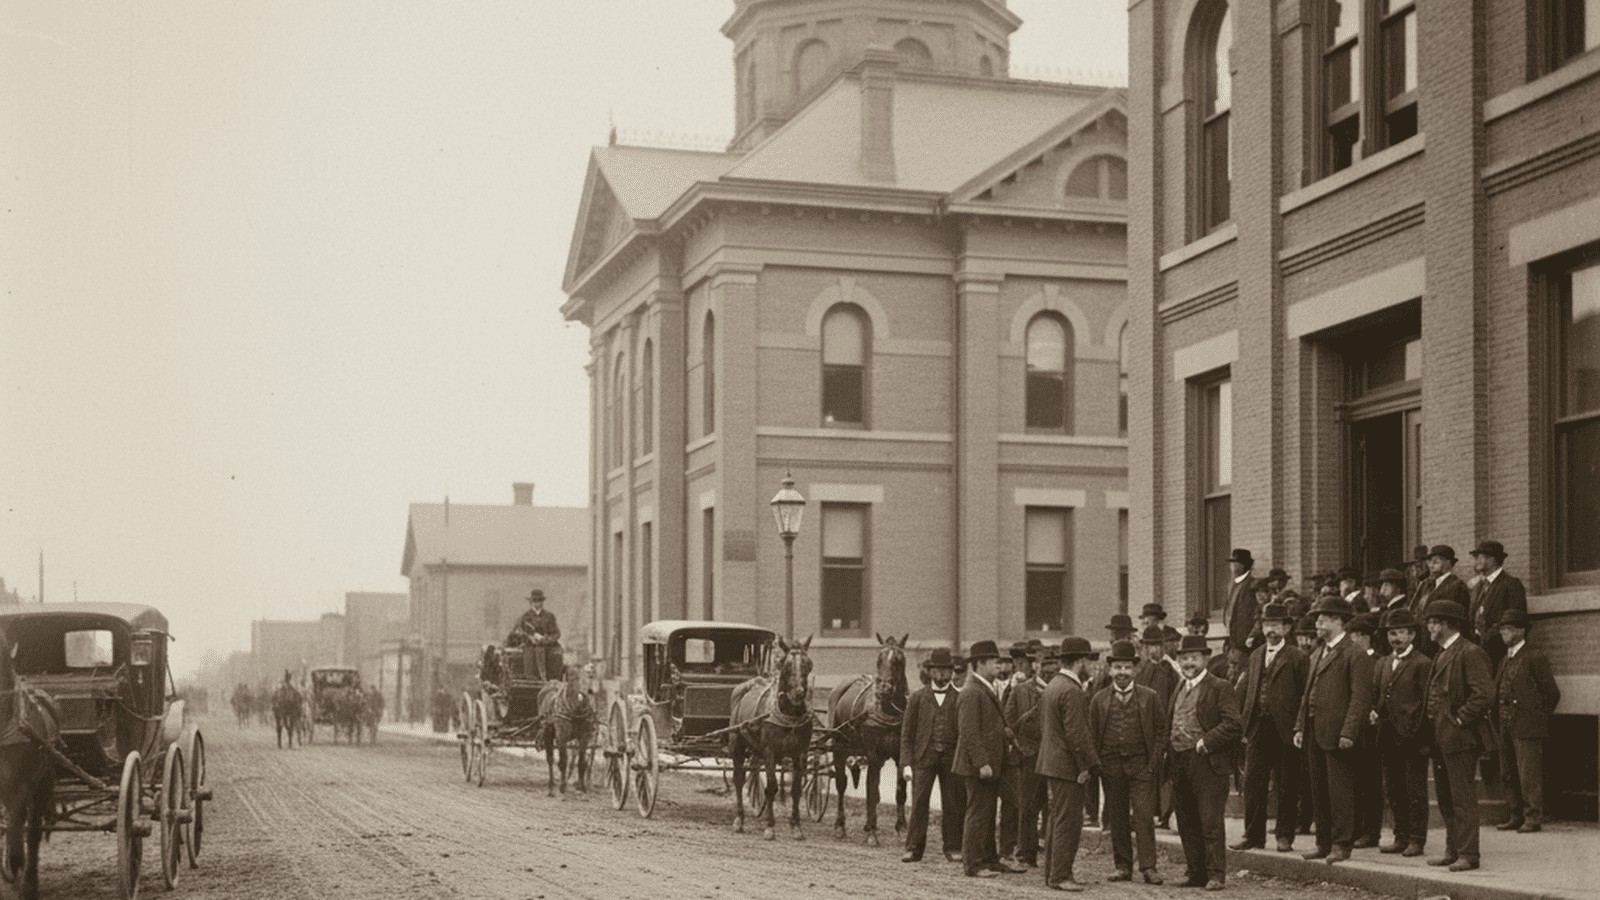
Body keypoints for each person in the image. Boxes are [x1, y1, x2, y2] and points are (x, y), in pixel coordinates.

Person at [1293, 594, 1373, 865]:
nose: (1317, 623)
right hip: (1316, 732)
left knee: (1340, 792)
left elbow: (1360, 698)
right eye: (1317, 618)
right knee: (1319, 791)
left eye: (1323, 618)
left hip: (1338, 735)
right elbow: (1307, 694)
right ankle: (1323, 842)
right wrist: (1300, 726)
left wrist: (1349, 732)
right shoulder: (1318, 652)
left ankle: (1341, 844)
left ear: (1340, 621)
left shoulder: (1355, 654)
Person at [1167, 634, 1242, 890]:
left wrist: (1206, 741)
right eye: (1184, 658)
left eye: (1194, 658)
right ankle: (1195, 872)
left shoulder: (1220, 687)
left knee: (1210, 821)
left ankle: (1215, 875)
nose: (1189, 663)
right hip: (1179, 760)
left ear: (1206, 659)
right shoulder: (1179, 686)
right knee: (1186, 821)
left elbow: (1233, 724)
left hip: (1207, 762)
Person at [1424, 599, 1494, 872]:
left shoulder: (1469, 652)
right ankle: (1452, 850)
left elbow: (1485, 694)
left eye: (1432, 622)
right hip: (1441, 739)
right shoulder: (1443, 652)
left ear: (1446, 625)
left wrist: (1459, 719)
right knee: (1446, 798)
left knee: (1462, 798)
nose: (1429, 627)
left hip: (1460, 739)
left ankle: (1469, 854)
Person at [1232, 602, 1307, 854]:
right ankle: (1253, 835)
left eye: (1276, 625)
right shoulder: (1255, 656)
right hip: (1259, 729)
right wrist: (1245, 725)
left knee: (1286, 785)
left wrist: (1299, 727)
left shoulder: (1298, 657)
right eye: (1267, 625)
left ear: (1286, 628)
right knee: (1253, 783)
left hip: (1285, 730)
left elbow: (1305, 696)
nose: (1271, 630)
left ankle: (1284, 836)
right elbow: (1250, 691)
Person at [1090, 639, 1166, 885]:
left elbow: (1162, 733)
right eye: (1118, 668)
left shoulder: (1150, 697)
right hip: (1111, 766)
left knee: (1144, 815)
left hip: (1141, 765)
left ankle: (1148, 867)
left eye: (1127, 668)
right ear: (1110, 670)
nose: (1122, 673)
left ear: (1135, 669)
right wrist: (1099, 765)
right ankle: (1123, 866)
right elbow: (1092, 735)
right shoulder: (1099, 700)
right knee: (1117, 816)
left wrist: (1153, 764)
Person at [1037, 636, 1100, 891]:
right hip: (1067, 767)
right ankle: (1060, 875)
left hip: (1053, 763)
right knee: (1068, 821)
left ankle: (1053, 873)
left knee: (1056, 819)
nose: (1091, 666)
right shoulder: (1072, 690)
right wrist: (1087, 765)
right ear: (1081, 661)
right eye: (1089, 660)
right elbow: (1077, 735)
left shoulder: (1054, 684)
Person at [1491, 609, 1560, 833]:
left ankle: (1533, 817)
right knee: (1508, 771)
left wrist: (1536, 719)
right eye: (1502, 629)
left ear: (1521, 631)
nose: (1504, 633)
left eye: (1509, 629)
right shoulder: (1504, 659)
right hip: (1505, 724)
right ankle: (1515, 815)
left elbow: (1551, 694)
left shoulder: (1534, 656)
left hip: (1527, 726)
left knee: (1528, 773)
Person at [953, 640, 1018, 878]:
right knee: (978, 813)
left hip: (991, 764)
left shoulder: (985, 688)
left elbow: (987, 725)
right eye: (993, 662)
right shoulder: (972, 692)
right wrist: (982, 763)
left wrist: (1004, 732)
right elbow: (968, 732)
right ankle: (973, 864)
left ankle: (990, 859)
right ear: (979, 664)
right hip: (979, 766)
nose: (998, 666)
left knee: (988, 812)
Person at [1373, 608, 1432, 857]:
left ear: (1411, 635)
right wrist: (1375, 711)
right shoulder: (1383, 663)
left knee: (1415, 791)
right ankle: (1401, 836)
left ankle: (1417, 839)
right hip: (1387, 736)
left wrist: (1419, 734)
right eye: (1390, 634)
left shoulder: (1423, 663)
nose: (1394, 638)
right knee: (1394, 789)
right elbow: (1377, 696)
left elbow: (1427, 703)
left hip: (1412, 737)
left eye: (1399, 633)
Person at [900, 647, 965, 863]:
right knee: (919, 802)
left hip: (950, 759)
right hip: (923, 758)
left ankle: (953, 847)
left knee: (952, 804)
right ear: (930, 672)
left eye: (945, 671)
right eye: (937, 671)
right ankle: (913, 848)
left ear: (952, 673)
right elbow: (907, 735)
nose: (941, 675)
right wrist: (906, 763)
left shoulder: (959, 698)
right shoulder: (917, 698)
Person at [1002, 642, 1048, 868]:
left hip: (1052, 754)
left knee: (1048, 805)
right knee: (1028, 804)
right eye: (1036, 663)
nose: (1041, 668)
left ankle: (1045, 850)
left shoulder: (1057, 689)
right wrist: (1020, 745)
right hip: (1027, 755)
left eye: (1047, 664)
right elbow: (1007, 721)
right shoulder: (1019, 691)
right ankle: (1025, 852)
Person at [1345, 613, 1383, 849]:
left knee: (1370, 782)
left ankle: (1371, 831)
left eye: (1355, 635)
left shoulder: (1377, 661)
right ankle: (1355, 828)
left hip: (1371, 729)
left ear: (1363, 637)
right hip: (1353, 728)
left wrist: (1375, 711)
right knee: (1354, 782)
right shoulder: (1350, 659)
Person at [1468, 541, 1528, 667]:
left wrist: (1488, 637)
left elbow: (1516, 620)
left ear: (1492, 559)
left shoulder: (1510, 584)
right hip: (1477, 653)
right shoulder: (1478, 587)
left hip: (1499, 653)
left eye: (1480, 557)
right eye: (1476, 557)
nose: (1476, 561)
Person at [1412, 545, 1469, 657]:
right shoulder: (1426, 585)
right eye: (1430, 561)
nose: (1431, 565)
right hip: (1422, 641)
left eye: (1436, 561)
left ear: (1448, 563)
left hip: (1441, 642)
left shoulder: (1456, 585)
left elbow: (1456, 619)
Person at [507, 589, 561, 680]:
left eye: (539, 601)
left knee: (555, 656)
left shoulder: (549, 617)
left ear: (542, 602)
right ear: (531, 602)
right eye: (534, 601)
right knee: (528, 657)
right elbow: (514, 634)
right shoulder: (525, 617)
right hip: (529, 647)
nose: (537, 604)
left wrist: (545, 639)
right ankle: (531, 678)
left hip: (547, 648)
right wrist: (525, 636)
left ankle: (550, 679)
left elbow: (556, 634)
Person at [1223, 548, 1260, 667]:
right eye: (1232, 564)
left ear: (1243, 566)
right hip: (1233, 644)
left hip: (1245, 646)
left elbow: (1250, 616)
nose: (1232, 567)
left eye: (1235, 564)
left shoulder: (1251, 585)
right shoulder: (1234, 585)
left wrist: (1246, 640)